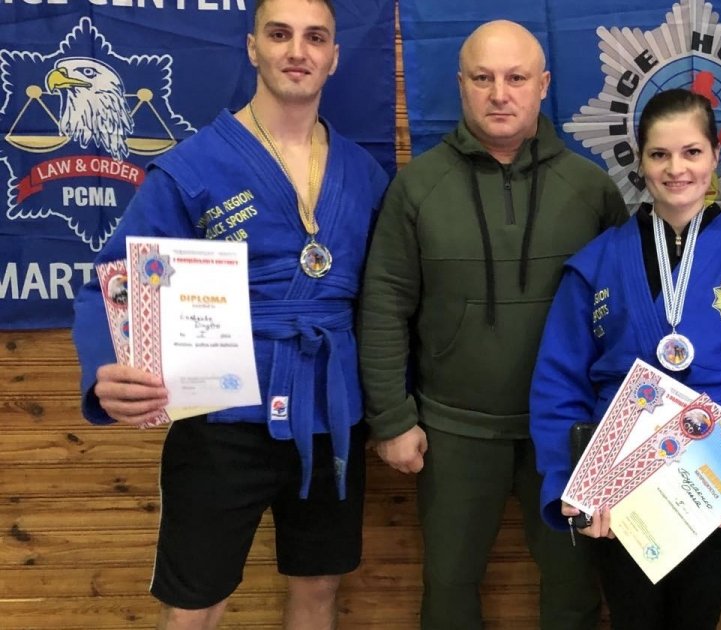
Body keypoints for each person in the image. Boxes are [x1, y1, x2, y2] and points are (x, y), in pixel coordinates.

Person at [70, 0, 389, 628]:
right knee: (196, 603)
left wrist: (392, 404)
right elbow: (115, 281)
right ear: (252, 47)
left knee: (320, 585)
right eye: (279, 34)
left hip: (331, 413)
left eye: (314, 38)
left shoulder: (364, 173)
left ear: (333, 57)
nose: (297, 51)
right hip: (220, 418)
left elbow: (389, 299)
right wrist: (105, 368)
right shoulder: (193, 167)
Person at [356, 19, 627, 630]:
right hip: (453, 430)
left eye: (516, 78)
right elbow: (384, 305)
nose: (499, 94)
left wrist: (614, 430)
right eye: (483, 78)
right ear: (461, 85)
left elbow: (621, 317)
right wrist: (392, 419)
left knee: (575, 587)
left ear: (543, 85)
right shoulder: (417, 187)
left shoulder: (591, 188)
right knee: (449, 586)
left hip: (569, 431)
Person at [530, 88, 721, 630]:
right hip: (618, 480)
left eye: (691, 152)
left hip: (717, 479)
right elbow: (559, 383)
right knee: (632, 620)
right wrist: (571, 481)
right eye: (659, 154)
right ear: (639, 161)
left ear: (715, 157)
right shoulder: (596, 263)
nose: (676, 169)